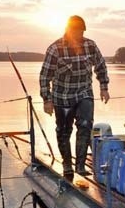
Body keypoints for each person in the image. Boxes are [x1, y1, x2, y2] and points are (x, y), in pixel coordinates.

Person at [40, 15, 110, 177]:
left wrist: (104, 88)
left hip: (84, 93)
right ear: (68, 30)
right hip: (62, 97)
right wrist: (47, 100)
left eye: (81, 31)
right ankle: (67, 165)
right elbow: (45, 76)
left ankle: (80, 166)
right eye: (76, 31)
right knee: (64, 131)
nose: (79, 35)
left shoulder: (90, 45)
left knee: (85, 126)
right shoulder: (55, 49)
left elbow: (100, 66)